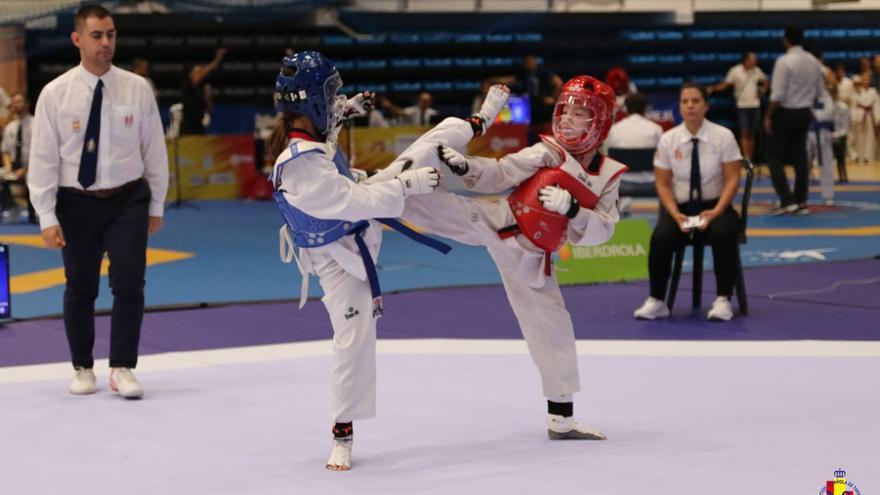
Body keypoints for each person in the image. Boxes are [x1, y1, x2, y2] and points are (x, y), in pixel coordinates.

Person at [370, 76, 621, 441]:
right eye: (564, 111)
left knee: (553, 329)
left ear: (599, 121)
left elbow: (606, 228)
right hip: (500, 222)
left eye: (579, 114)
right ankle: (369, 187)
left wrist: (574, 212)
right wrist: (466, 167)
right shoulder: (547, 152)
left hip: (534, 258)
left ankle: (562, 419)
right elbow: (502, 173)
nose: (567, 120)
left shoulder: (608, 176)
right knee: (429, 203)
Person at [268, 51, 446, 471]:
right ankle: (341, 432)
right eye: (330, 96)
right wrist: (407, 186)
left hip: (349, 233)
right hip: (336, 252)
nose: (335, 103)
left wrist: (346, 112)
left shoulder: (308, 141)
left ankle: (471, 123)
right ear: (309, 101)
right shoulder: (299, 165)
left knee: (423, 151)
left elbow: (326, 143)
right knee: (353, 338)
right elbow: (353, 200)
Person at [27, 4, 169, 398]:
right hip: (75, 202)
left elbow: (154, 150)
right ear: (77, 40)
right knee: (81, 285)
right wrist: (45, 215)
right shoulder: (54, 94)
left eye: (110, 35)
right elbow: (41, 159)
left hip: (128, 199)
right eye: (97, 36)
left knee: (129, 282)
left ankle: (123, 367)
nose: (106, 43)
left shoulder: (137, 88)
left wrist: (156, 204)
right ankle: (82, 367)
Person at [634, 83, 743, 322]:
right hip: (681, 211)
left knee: (724, 232)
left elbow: (733, 178)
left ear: (706, 105)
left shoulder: (723, 136)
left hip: (717, 208)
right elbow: (663, 184)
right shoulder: (668, 139)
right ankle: (657, 300)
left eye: (695, 101)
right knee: (661, 236)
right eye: (685, 101)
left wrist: (715, 212)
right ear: (680, 106)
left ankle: (724, 299)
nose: (690, 106)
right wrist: (674, 214)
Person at [763, 26, 825, 216]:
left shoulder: (784, 61)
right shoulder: (813, 61)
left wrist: (768, 115)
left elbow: (778, 94)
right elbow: (818, 91)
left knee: (773, 155)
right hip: (805, 111)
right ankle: (800, 200)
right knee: (800, 156)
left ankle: (787, 200)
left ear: (786, 40)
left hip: (786, 111)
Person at [708, 51, 768, 163]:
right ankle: (746, 157)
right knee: (744, 131)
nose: (755, 61)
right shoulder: (735, 71)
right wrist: (712, 88)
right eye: (752, 59)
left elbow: (765, 81)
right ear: (746, 60)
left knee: (753, 132)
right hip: (742, 106)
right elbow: (725, 85)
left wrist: (762, 91)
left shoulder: (757, 71)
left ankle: (751, 157)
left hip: (755, 105)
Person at [1, 92, 35, 223]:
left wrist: (26, 169)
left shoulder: (36, 124)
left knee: (31, 177)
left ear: (27, 104)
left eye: (20, 101)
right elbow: (5, 152)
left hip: (32, 166)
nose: (17, 105)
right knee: (1, 174)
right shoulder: (10, 127)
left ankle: (35, 212)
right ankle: (12, 207)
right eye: (14, 102)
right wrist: (9, 168)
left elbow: (41, 153)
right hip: (14, 165)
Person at [180, 47, 226, 135]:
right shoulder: (188, 85)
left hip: (199, 126)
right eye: (198, 72)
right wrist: (216, 61)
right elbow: (204, 72)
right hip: (188, 127)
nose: (201, 74)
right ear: (190, 74)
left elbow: (210, 110)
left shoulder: (203, 88)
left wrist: (208, 97)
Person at [807, 89, 835, 205]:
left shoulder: (825, 95)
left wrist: (812, 113)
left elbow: (829, 114)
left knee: (826, 165)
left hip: (822, 133)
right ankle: (799, 195)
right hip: (806, 132)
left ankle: (828, 195)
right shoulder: (802, 93)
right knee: (802, 164)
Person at [850, 73, 879, 164]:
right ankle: (861, 157)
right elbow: (854, 104)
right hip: (860, 115)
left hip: (870, 115)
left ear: (869, 81)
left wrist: (877, 118)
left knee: (870, 136)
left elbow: (877, 105)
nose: (866, 81)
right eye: (864, 80)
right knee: (860, 136)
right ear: (861, 81)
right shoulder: (857, 91)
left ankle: (869, 157)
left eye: (867, 80)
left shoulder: (873, 91)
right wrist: (853, 117)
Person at [830, 85, 850, 183]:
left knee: (839, 151)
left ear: (837, 94)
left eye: (833, 94)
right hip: (828, 136)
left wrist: (835, 135)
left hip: (840, 136)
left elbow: (845, 128)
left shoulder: (844, 107)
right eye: (830, 94)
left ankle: (843, 175)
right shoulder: (827, 107)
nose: (832, 96)